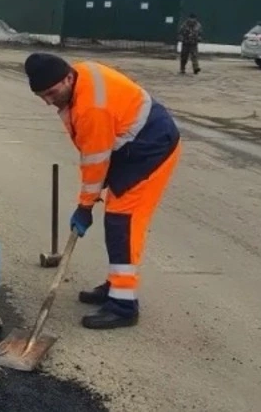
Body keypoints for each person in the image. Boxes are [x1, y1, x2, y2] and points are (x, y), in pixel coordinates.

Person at [23, 53, 181, 330]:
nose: (48, 101)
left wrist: (85, 206)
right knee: (116, 220)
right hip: (129, 143)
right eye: (42, 96)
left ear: (68, 78)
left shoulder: (91, 109)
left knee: (123, 223)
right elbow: (96, 154)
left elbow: (95, 163)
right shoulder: (78, 78)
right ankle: (114, 287)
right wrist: (90, 199)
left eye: (51, 93)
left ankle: (123, 305)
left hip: (151, 150)